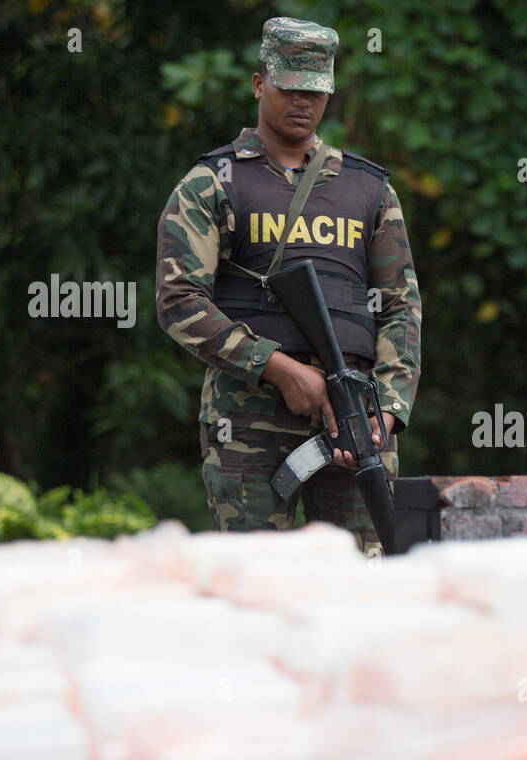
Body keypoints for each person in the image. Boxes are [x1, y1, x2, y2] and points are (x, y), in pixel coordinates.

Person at [155, 17, 421, 551]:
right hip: (249, 424)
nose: (303, 103)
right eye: (290, 88)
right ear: (259, 84)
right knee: (258, 584)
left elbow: (401, 307)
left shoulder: (368, 190)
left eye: (316, 91)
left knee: (365, 588)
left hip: (356, 423)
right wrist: (278, 369)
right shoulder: (213, 183)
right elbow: (178, 301)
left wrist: (386, 413)